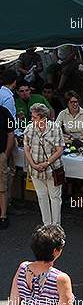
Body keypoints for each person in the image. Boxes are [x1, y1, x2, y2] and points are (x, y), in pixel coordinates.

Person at [23, 103, 62, 225]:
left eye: (34, 117)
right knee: (41, 196)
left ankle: (56, 226)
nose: (32, 119)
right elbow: (26, 148)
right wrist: (33, 164)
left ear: (43, 118)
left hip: (53, 169)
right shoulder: (29, 128)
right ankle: (46, 225)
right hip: (35, 170)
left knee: (55, 198)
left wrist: (46, 163)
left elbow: (59, 150)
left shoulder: (55, 128)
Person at [0, 95, 14, 230]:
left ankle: (3, 216)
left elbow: (11, 134)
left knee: (2, 187)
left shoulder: (4, 112)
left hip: (0, 156)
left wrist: (6, 154)